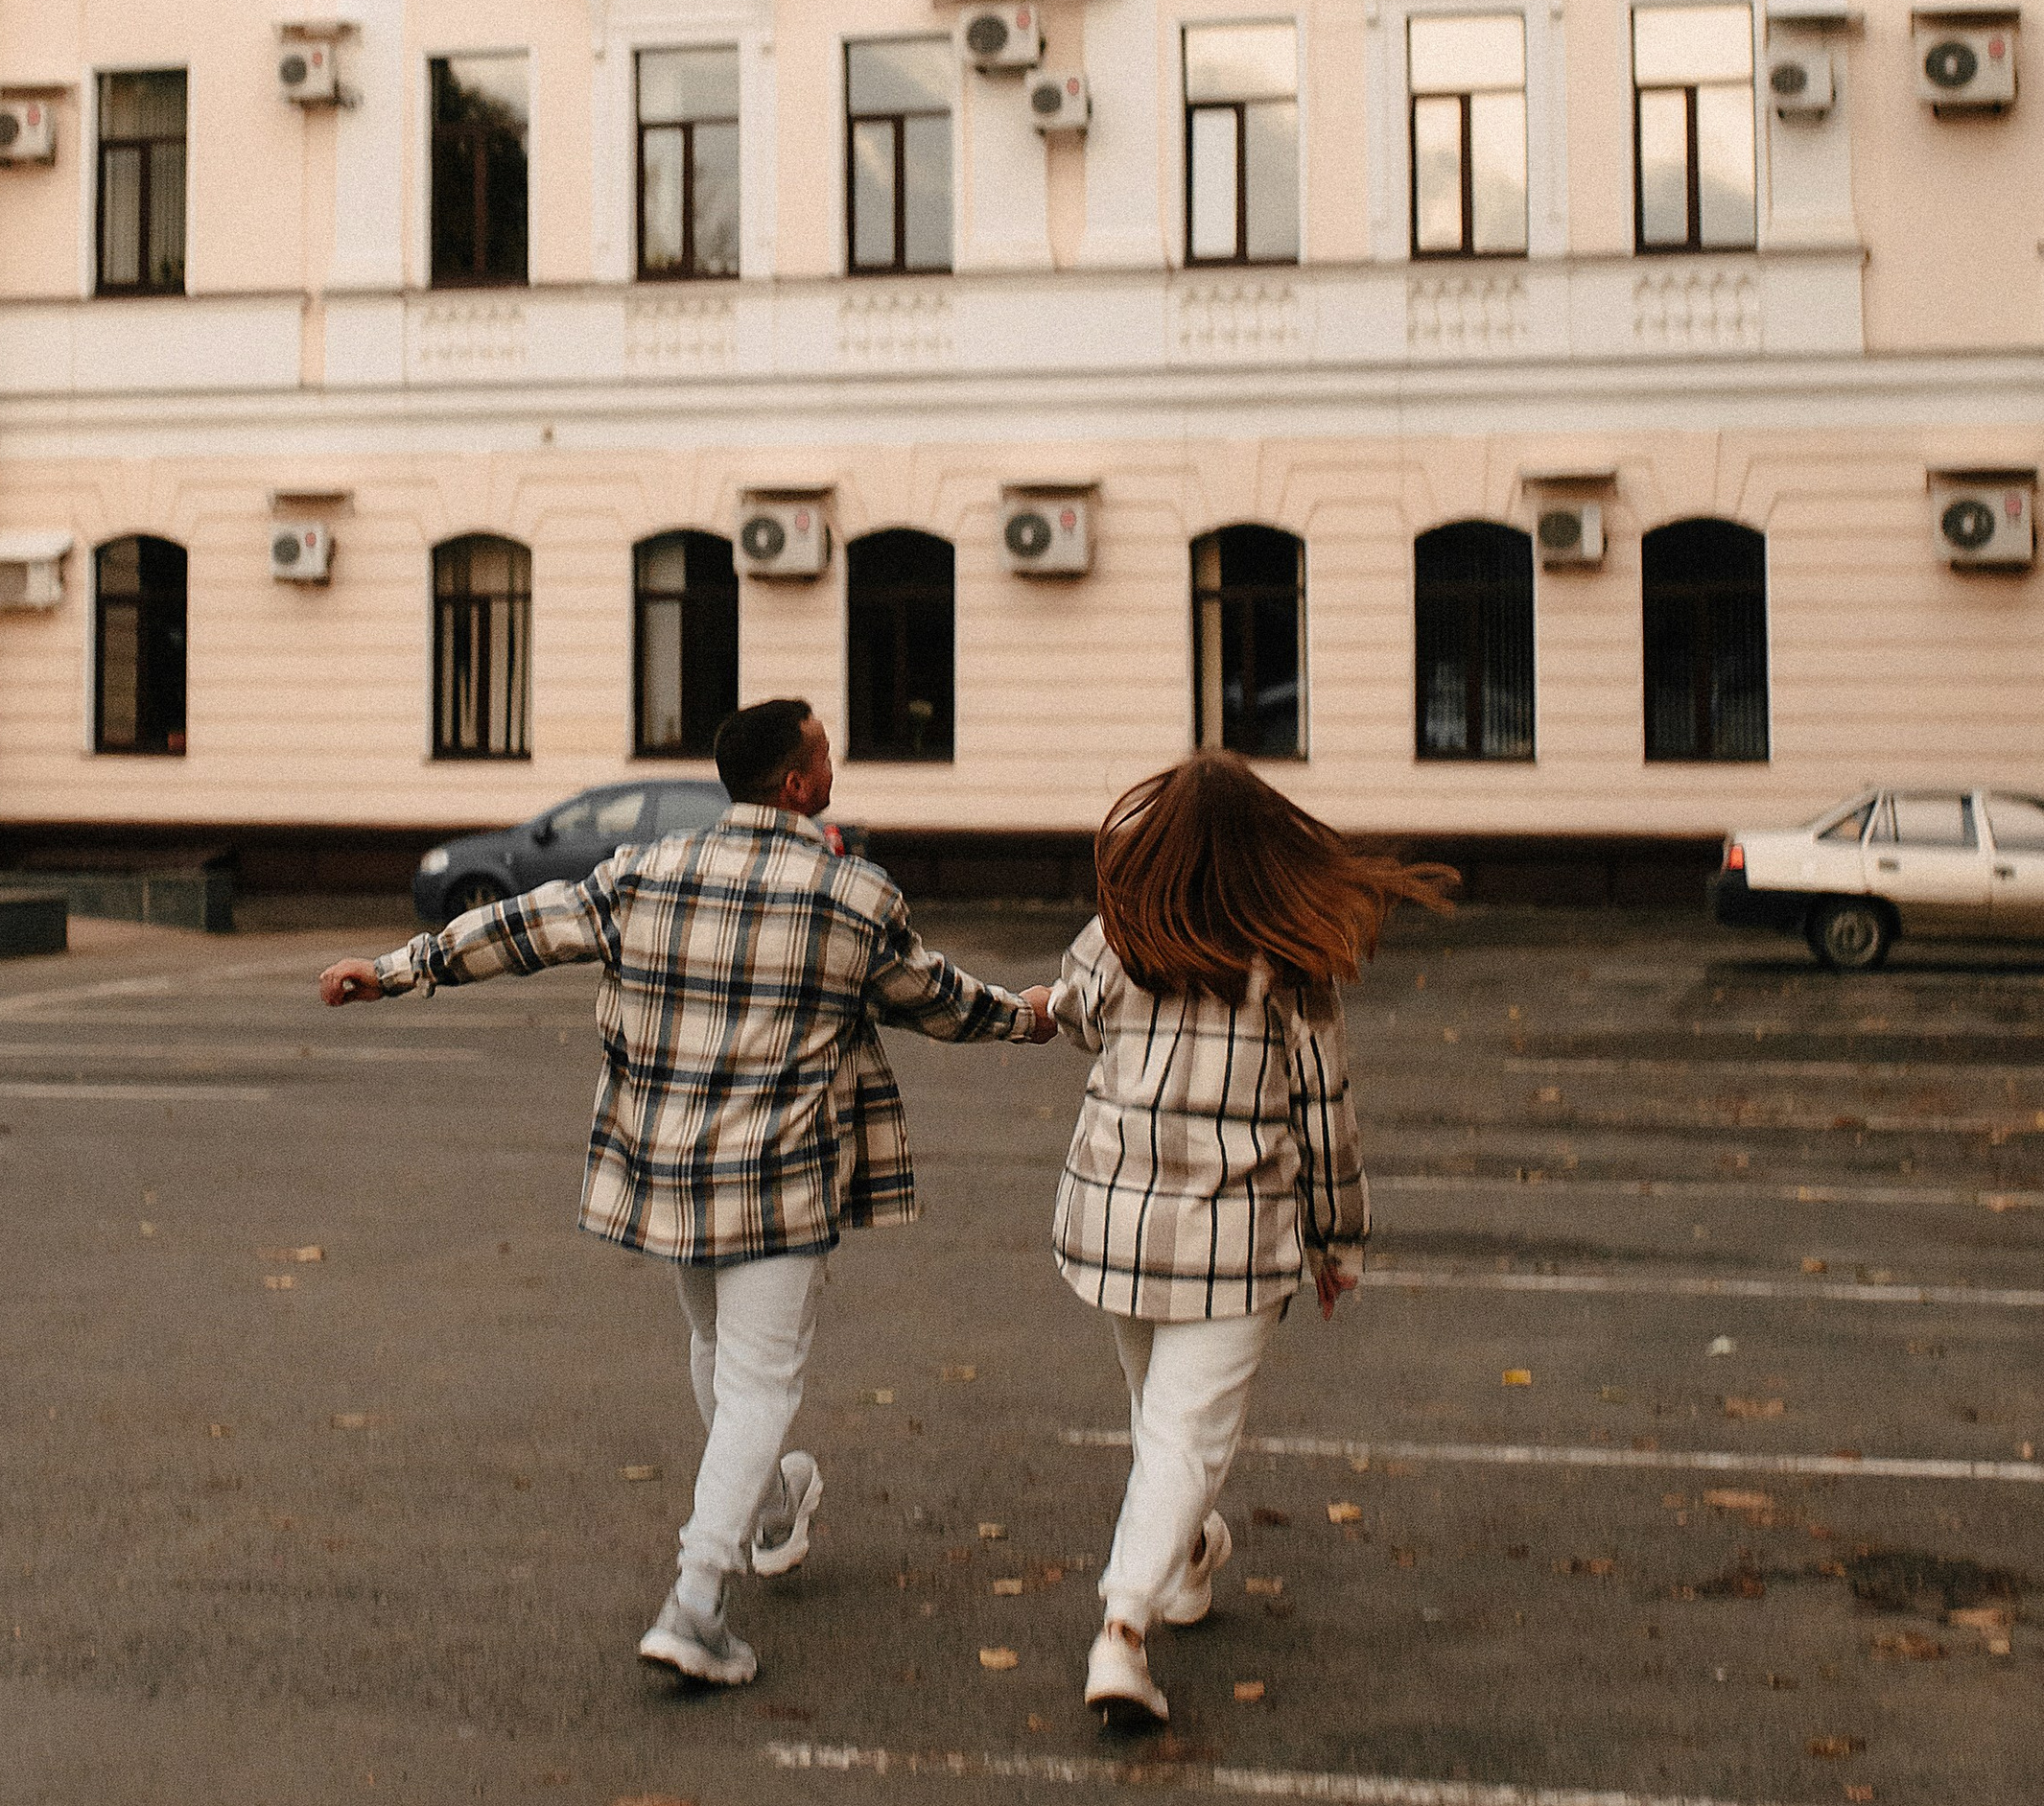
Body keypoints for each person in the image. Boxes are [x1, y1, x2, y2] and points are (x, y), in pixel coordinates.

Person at [320, 694, 1056, 1689]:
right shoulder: (850, 897)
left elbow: (517, 929)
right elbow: (940, 1001)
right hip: (779, 1182)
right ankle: (697, 1600)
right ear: (797, 785)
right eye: (826, 754)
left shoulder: (643, 873)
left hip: (667, 1174)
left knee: (717, 1351)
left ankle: (763, 1513)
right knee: (760, 1383)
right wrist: (1032, 1017)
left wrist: (394, 969)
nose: (834, 765)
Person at [1045, 752, 1455, 1726]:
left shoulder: (1117, 938)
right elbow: (1325, 1115)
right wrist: (1339, 1242)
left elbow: (1072, 1017)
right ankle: (1122, 1633)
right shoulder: (1290, 968)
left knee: (1160, 1421)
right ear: (1269, 846)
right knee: (1183, 1439)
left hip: (1114, 1231)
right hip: (1233, 1242)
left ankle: (1185, 1564)